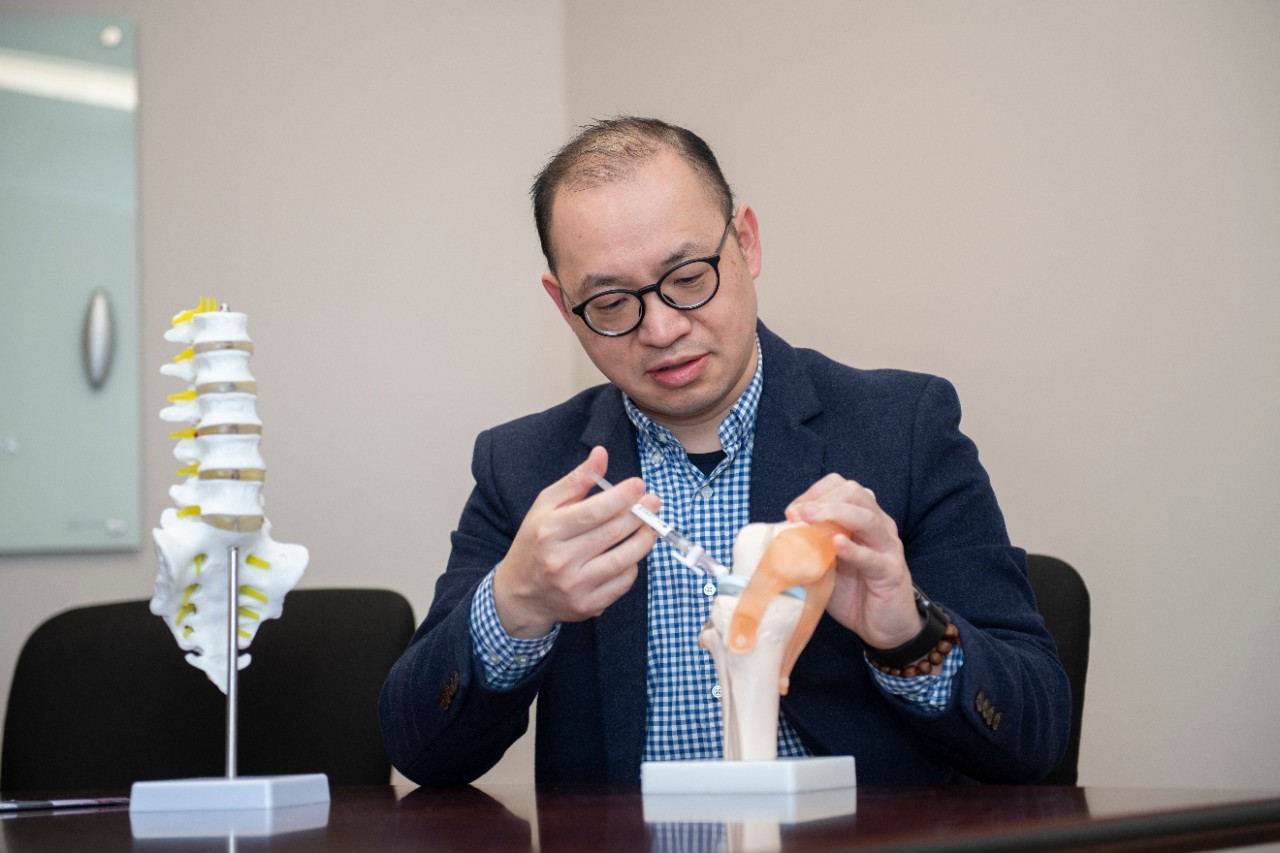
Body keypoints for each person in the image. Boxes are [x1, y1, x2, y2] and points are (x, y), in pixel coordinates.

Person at [379, 117, 1071, 786]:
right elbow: (421, 751)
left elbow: (1033, 736)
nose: (660, 327)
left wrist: (908, 632)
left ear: (746, 242)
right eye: (612, 302)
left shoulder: (903, 429)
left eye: (687, 278)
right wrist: (514, 605)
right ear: (564, 308)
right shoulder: (527, 467)